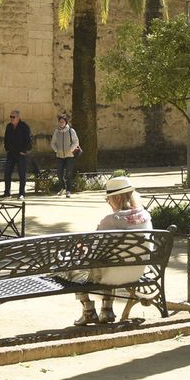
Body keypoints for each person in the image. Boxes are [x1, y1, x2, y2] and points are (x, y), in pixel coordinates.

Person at [73, 175, 154, 326]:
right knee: (110, 263)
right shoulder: (146, 217)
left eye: (108, 199)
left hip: (111, 276)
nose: (108, 203)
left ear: (116, 198)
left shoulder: (110, 221)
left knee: (73, 267)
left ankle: (88, 310)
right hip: (137, 272)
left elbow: (94, 250)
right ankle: (107, 310)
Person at [2, 110, 34, 197]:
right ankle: (7, 192)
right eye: (10, 117)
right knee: (7, 173)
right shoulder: (9, 126)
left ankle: (21, 193)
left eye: (13, 117)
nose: (11, 118)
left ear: (18, 117)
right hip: (11, 154)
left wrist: (24, 151)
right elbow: (5, 139)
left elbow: (28, 140)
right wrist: (7, 148)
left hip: (20, 154)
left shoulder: (24, 127)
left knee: (22, 174)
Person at [50, 114, 81, 197]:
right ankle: (62, 188)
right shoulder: (56, 131)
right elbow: (53, 143)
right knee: (59, 173)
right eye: (59, 122)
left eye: (62, 122)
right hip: (59, 156)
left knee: (69, 173)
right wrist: (56, 150)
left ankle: (68, 191)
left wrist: (71, 149)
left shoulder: (71, 131)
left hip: (70, 156)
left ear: (65, 122)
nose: (61, 123)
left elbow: (76, 142)